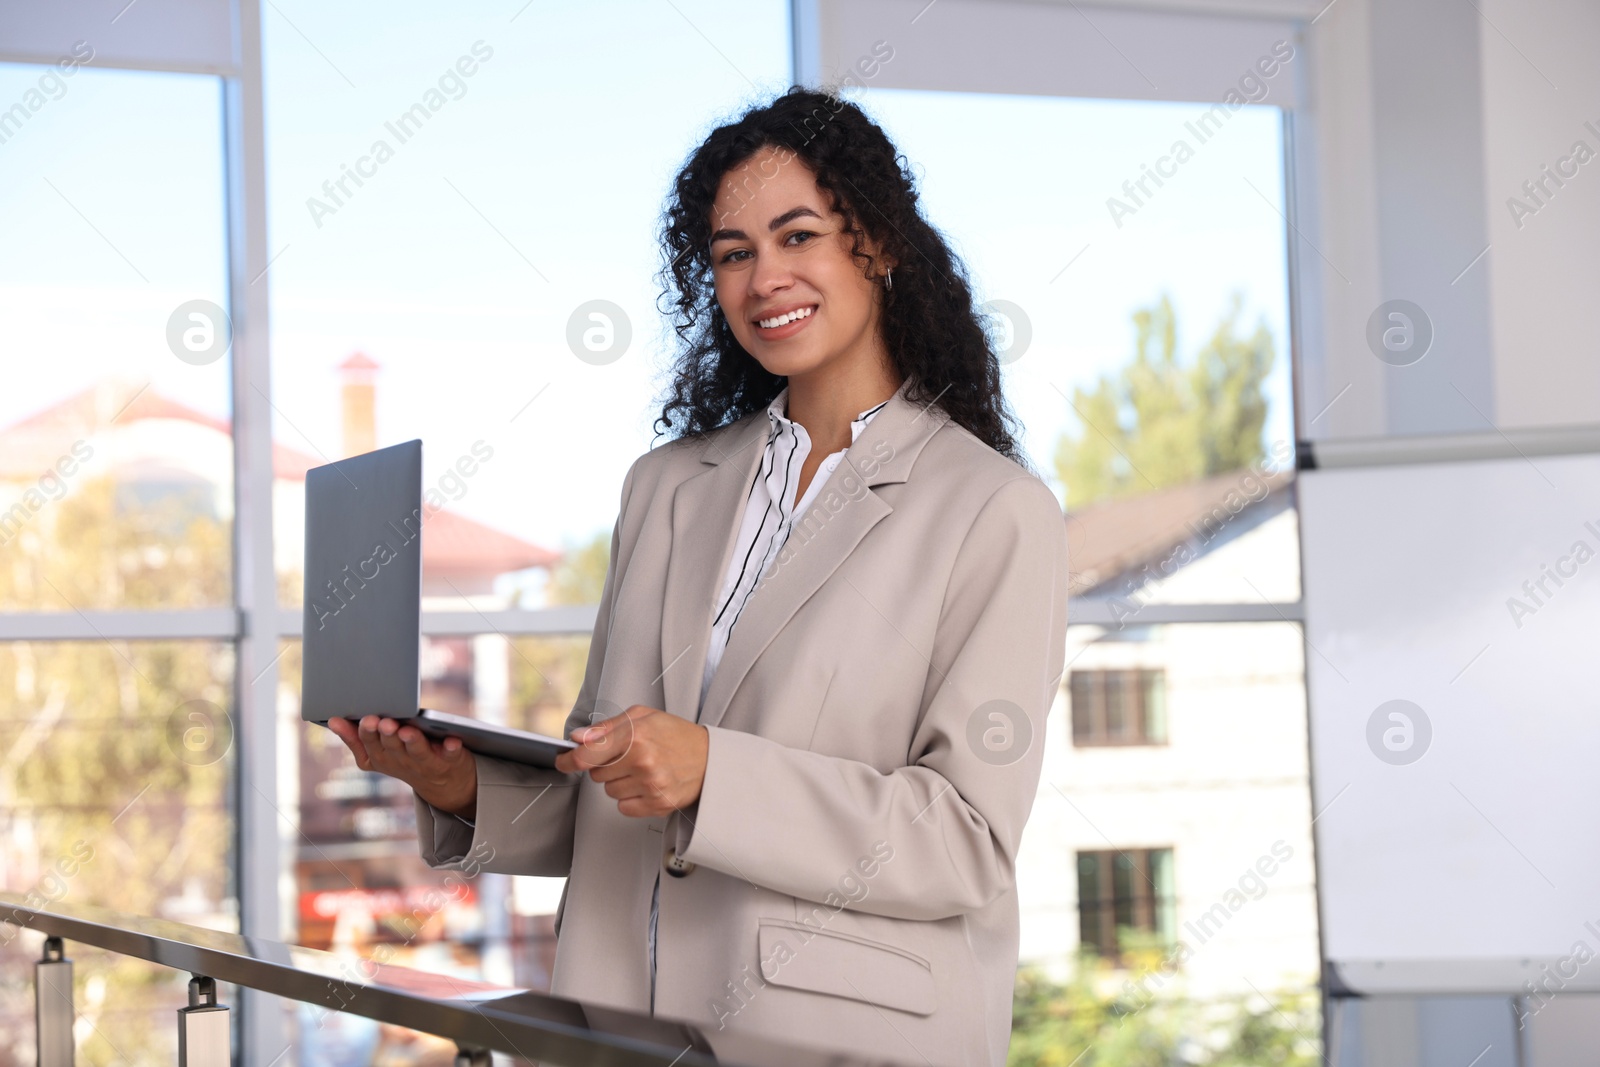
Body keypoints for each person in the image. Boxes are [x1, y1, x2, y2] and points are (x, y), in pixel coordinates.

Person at [328, 85, 1070, 1066]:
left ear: (878, 243)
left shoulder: (990, 511)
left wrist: (713, 770)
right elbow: (618, 790)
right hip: (613, 1031)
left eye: (798, 235)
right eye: (732, 253)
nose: (764, 276)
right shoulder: (666, 488)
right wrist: (459, 783)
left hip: (825, 1040)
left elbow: (962, 838)